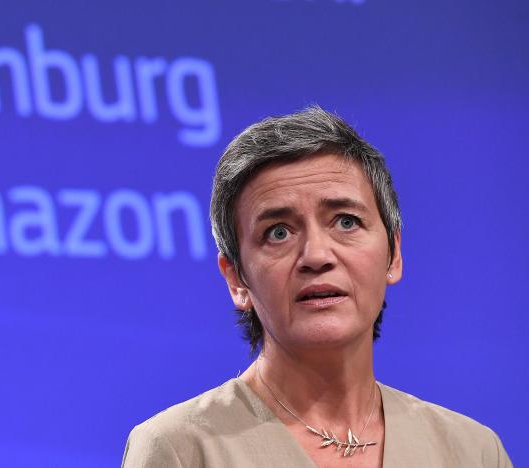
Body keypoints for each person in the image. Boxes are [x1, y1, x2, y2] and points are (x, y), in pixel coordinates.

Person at [121, 106, 512, 467]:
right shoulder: (180, 449)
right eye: (278, 232)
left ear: (393, 255)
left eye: (345, 221)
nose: (316, 255)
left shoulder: (472, 450)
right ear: (237, 279)